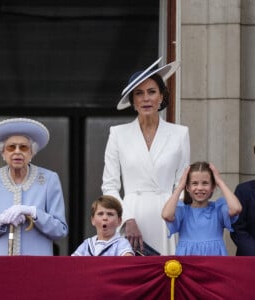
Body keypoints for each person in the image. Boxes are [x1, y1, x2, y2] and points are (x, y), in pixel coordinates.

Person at [102, 57, 190, 255]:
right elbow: (109, 185)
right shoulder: (118, 133)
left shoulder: (180, 133)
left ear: (161, 96)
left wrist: (175, 214)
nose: (146, 98)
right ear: (133, 101)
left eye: (152, 92)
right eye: (139, 94)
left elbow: (182, 184)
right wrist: (126, 219)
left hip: (167, 217)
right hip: (132, 216)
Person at [0, 118, 68, 255]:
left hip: (37, 265)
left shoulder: (49, 179)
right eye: (11, 147)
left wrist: (34, 213)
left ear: (31, 153)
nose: (17, 152)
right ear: (3, 153)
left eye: (23, 147)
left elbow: (60, 231)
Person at [161, 161, 242, 255]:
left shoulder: (218, 210)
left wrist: (220, 182)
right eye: (194, 183)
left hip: (214, 261)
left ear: (213, 187)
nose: (199, 188)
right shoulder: (183, 211)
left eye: (205, 183)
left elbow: (236, 209)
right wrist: (180, 187)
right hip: (188, 261)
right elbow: (166, 215)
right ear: (188, 187)